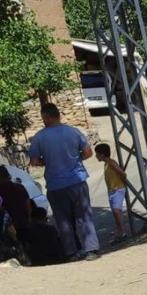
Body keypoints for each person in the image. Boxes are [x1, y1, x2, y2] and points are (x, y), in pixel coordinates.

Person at [29, 103, 100, 261]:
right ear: (58, 115)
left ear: (45, 117)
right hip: (77, 181)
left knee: (63, 220)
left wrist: (46, 161)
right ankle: (91, 250)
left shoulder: (39, 137)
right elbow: (88, 152)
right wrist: (76, 159)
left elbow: (34, 161)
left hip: (55, 185)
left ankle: (72, 253)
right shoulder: (73, 132)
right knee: (84, 216)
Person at [94, 143, 128, 243]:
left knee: (116, 211)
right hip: (112, 190)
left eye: (97, 154)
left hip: (117, 189)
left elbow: (122, 173)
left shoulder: (111, 162)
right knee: (116, 213)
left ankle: (123, 232)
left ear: (102, 155)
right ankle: (120, 231)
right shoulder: (106, 164)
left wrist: (123, 180)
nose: (96, 156)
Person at [0, 166, 31, 237]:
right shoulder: (19, 186)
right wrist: (29, 218)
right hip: (24, 220)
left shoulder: (2, 191)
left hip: (10, 224)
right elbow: (28, 202)